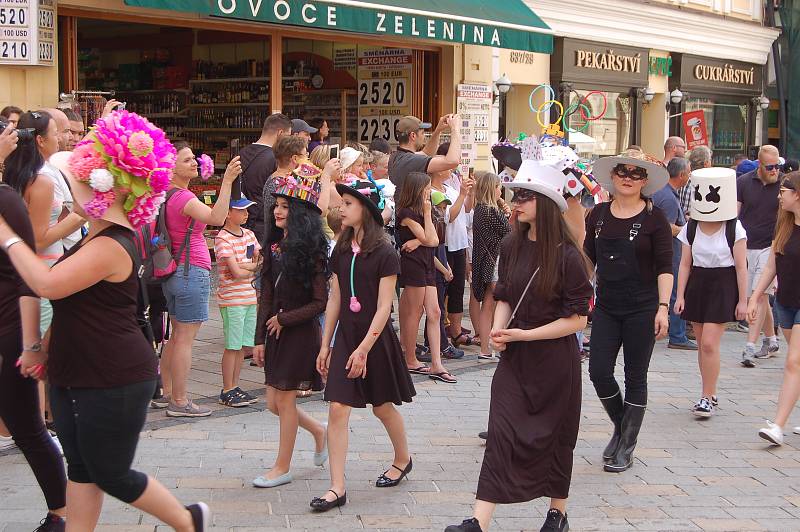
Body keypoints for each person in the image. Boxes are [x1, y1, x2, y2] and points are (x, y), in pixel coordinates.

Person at [0, 113, 211, 531]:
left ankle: (188, 521)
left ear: (102, 187)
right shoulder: (94, 237)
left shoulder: (113, 244)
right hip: (75, 367)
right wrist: (42, 345)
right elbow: (72, 304)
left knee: (110, 471)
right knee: (80, 467)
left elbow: (45, 283)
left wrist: (8, 236)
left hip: (113, 373)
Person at [446, 160, 593, 532]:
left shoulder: (568, 256)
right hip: (516, 357)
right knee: (502, 432)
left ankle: (557, 513)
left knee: (558, 437)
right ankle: (478, 521)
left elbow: (579, 320)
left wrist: (524, 335)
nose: (516, 202)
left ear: (546, 203)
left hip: (554, 360)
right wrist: (498, 330)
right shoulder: (511, 244)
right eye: (515, 195)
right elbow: (505, 294)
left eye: (526, 196)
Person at [312, 179, 415, 512]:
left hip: (375, 338)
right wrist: (325, 343)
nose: (340, 208)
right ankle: (337, 487)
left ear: (366, 211)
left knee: (382, 405)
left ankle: (403, 458)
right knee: (337, 407)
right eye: (341, 203)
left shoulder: (385, 250)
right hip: (347, 337)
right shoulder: (341, 248)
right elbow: (336, 298)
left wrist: (364, 349)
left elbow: (385, 307)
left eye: (347, 203)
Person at [586, 150, 673, 473]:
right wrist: (579, 294)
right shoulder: (597, 215)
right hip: (608, 306)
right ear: (613, 175)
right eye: (623, 171)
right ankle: (622, 427)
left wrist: (663, 308)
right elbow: (587, 260)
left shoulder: (655, 219)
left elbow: (665, 266)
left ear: (644, 181)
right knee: (598, 372)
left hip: (643, 306)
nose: (627, 177)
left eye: (636, 174)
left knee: (636, 375)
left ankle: (627, 446)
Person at [251, 169, 329, 487]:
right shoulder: (271, 247)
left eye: (285, 206)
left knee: (284, 401)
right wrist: (258, 339)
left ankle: (281, 468)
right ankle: (319, 432)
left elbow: (320, 303)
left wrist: (285, 320)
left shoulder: (312, 251)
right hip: (275, 333)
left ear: (298, 213)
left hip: (299, 334)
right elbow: (265, 296)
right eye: (276, 205)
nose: (278, 211)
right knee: (273, 404)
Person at [155, 141, 241, 418]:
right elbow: (217, 217)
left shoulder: (166, 196)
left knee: (175, 336)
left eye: (194, 158)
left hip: (173, 270)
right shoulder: (183, 198)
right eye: (186, 160)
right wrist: (227, 180)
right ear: (171, 168)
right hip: (191, 271)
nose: (194, 163)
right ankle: (179, 400)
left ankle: (166, 392)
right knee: (184, 339)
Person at [0, 182, 67, 531]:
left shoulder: (6, 199)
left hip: (6, 333)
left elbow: (28, 278)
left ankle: (60, 514)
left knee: (27, 429)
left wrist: (30, 344)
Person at [674, 168, 748, 417]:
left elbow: (741, 267)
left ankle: (706, 396)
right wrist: (680, 295)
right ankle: (709, 391)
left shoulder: (734, 228)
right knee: (701, 344)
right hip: (698, 283)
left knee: (708, 343)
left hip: (723, 285)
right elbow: (685, 263)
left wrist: (744, 301)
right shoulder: (691, 227)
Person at [3, 111, 84, 335]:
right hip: (45, 265)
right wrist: (79, 217)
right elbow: (38, 239)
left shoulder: (18, 173)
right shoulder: (41, 180)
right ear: (40, 140)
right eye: (57, 133)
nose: (60, 139)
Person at [396, 172, 455, 382]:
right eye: (427, 188)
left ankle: (437, 364)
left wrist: (419, 241)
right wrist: (428, 216)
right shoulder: (406, 213)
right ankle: (409, 358)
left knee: (435, 311)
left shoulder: (423, 212)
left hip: (428, 263)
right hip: (413, 264)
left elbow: (434, 239)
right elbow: (429, 239)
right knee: (414, 312)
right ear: (417, 189)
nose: (430, 191)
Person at [755, 173, 800, 444]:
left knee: (793, 362)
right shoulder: (784, 225)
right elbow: (772, 266)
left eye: (784, 190)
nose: (779, 195)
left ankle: (778, 426)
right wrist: (754, 296)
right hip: (785, 303)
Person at [213, 195, 261, 408]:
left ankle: (234, 385)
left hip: (249, 297)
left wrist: (246, 267)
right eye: (241, 210)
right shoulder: (222, 238)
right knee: (232, 346)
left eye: (247, 210)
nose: (246, 213)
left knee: (242, 346)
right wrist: (249, 267)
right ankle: (227, 388)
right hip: (232, 300)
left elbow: (258, 261)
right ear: (228, 213)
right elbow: (235, 272)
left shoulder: (249, 234)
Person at [739, 145, 783, 367]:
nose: (775, 170)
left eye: (778, 165)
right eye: (770, 167)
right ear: (759, 165)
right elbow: (735, 213)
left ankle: (750, 345)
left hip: (771, 247)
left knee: (760, 295)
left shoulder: (785, 185)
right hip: (747, 246)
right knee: (756, 296)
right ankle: (771, 339)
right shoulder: (744, 182)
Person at [432, 143, 476, 347]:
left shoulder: (450, 186)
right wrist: (461, 195)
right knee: (443, 291)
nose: (452, 168)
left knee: (458, 288)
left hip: (458, 243)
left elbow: (466, 210)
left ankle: (456, 331)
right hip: (445, 244)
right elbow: (449, 216)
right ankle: (440, 333)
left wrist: (469, 192)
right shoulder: (433, 191)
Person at [652, 158, 696, 350]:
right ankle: (678, 336)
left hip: (666, 251)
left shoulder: (664, 192)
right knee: (676, 292)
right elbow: (666, 227)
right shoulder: (668, 197)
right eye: (689, 172)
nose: (690, 176)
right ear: (682, 175)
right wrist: (686, 229)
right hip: (670, 252)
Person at [471, 172, 511, 361]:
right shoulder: (491, 211)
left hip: (486, 262)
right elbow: (510, 232)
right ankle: (495, 345)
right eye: (497, 186)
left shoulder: (479, 209)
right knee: (498, 304)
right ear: (490, 188)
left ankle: (486, 348)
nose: (499, 190)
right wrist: (507, 211)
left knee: (488, 305)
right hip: (495, 263)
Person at [240, 113, 292, 243]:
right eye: (288, 135)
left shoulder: (242, 152)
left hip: (242, 221)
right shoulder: (274, 159)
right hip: (265, 225)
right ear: (280, 133)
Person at [388, 115, 461, 193]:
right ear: (413, 136)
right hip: (413, 205)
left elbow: (427, 153)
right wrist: (454, 129)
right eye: (422, 133)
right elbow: (452, 161)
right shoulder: (410, 160)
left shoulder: (398, 157)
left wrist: (438, 130)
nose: (424, 137)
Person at [678, 145, 713, 218]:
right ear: (706, 163)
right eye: (710, 160)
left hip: (682, 221)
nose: (711, 163)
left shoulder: (683, 177)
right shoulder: (704, 183)